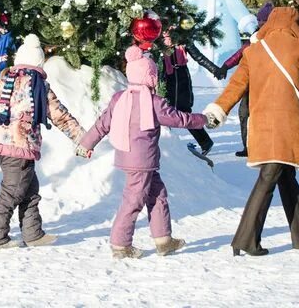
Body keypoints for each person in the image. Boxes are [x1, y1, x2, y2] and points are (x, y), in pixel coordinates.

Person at [203, 6, 299, 257]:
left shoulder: (254, 51)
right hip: (285, 125)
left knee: (286, 177)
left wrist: (219, 110)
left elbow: (236, 85)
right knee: (269, 178)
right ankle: (245, 239)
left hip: (260, 123)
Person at [0, 34, 83, 249]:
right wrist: (82, 138)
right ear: (39, 62)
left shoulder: (6, 80)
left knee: (29, 189)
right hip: (20, 146)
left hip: (2, 143)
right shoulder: (39, 86)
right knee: (12, 192)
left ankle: (33, 234)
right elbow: (60, 116)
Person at [78, 45, 208, 259]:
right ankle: (120, 244)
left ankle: (163, 240)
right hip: (142, 161)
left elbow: (103, 123)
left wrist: (86, 143)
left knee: (157, 194)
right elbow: (179, 119)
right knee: (134, 200)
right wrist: (203, 119)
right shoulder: (154, 102)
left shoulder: (119, 98)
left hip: (131, 157)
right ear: (150, 77)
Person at [214, 3, 273, 157]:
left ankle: (277, 144)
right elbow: (240, 53)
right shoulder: (255, 38)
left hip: (269, 86)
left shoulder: (277, 39)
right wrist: (225, 66)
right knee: (244, 113)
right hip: (250, 84)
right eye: (260, 20)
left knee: (268, 116)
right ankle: (248, 146)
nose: (261, 23)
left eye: (264, 20)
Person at [160, 31, 215, 157]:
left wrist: (214, 68)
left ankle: (205, 142)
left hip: (181, 77)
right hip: (165, 78)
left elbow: (198, 56)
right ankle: (165, 144)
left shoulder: (181, 36)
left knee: (184, 111)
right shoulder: (156, 37)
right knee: (162, 110)